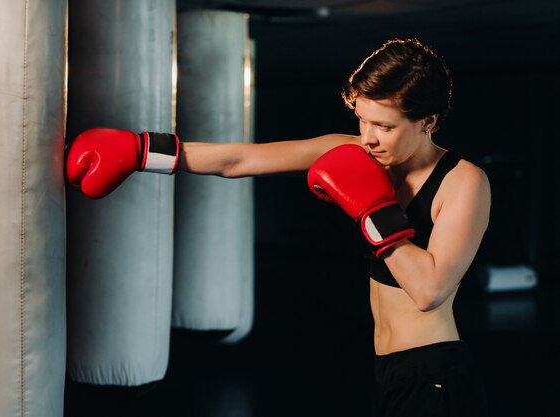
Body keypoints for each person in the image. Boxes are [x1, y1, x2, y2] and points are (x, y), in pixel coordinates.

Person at [66, 38, 491, 417]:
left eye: (385, 126)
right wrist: (142, 152)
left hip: (434, 372)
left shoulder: (462, 181)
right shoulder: (355, 153)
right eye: (362, 120)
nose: (368, 138)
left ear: (428, 121)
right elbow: (240, 160)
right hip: (384, 369)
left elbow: (429, 291)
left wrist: (373, 211)